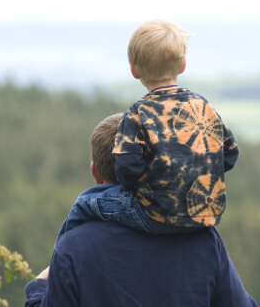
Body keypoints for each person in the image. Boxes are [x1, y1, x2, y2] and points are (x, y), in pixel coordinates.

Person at [25, 114, 257, 307]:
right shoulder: (202, 239)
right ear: (152, 169)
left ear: (95, 173)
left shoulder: (72, 247)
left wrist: (37, 289)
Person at [55, 19, 239, 242]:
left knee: (86, 203)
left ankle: (59, 260)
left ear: (133, 70)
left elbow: (127, 167)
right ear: (182, 65)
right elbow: (230, 153)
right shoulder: (203, 107)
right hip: (206, 216)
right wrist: (198, 171)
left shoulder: (137, 114)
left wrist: (149, 186)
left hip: (155, 217)